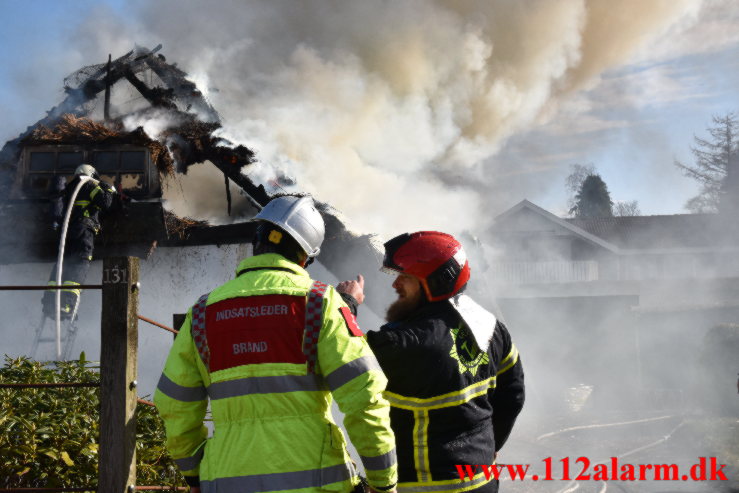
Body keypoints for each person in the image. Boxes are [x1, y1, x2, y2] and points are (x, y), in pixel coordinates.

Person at [154, 195, 398, 493]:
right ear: (306, 257)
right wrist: (383, 483)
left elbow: (174, 404)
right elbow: (365, 399)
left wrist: (193, 472)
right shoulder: (320, 303)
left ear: (256, 244)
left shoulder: (203, 312)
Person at [338, 231, 525, 492]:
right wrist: (491, 446)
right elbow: (513, 396)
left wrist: (346, 305)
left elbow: (338, 352)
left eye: (406, 277)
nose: (395, 285)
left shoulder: (402, 343)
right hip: (482, 482)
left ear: (435, 283)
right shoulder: (493, 329)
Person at [41, 164, 116, 319]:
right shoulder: (88, 185)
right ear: (91, 174)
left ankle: (50, 304)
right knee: (80, 262)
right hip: (82, 232)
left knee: (62, 264)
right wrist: (108, 189)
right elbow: (105, 203)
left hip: (66, 233)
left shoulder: (68, 189)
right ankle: (67, 304)